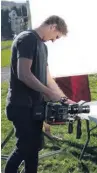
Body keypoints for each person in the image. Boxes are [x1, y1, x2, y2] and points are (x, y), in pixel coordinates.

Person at [4, 15, 75, 173]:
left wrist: (64, 98)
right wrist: (49, 93)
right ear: (52, 27)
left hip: (35, 107)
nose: (54, 40)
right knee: (23, 149)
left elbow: (48, 78)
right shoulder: (27, 39)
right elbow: (24, 74)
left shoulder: (42, 46)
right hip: (21, 106)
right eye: (56, 36)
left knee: (33, 149)